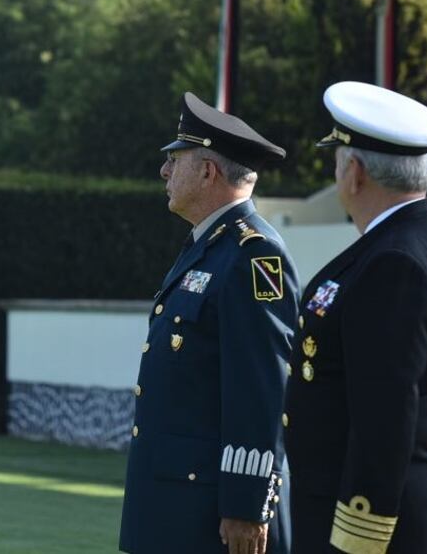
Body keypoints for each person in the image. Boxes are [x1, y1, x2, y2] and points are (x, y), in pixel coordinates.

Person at [284, 81, 427, 554]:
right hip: (397, 513)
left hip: (373, 525)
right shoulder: (422, 241)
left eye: (337, 160)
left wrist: (356, 537)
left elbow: (384, 417)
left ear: (354, 173)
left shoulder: (395, 262)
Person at [120, 92, 300, 554]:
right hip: (174, 502)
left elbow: (261, 387)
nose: (164, 172)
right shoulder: (208, 246)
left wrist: (245, 503)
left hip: (210, 514)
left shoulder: (253, 254)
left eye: (174, 160)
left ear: (207, 171)